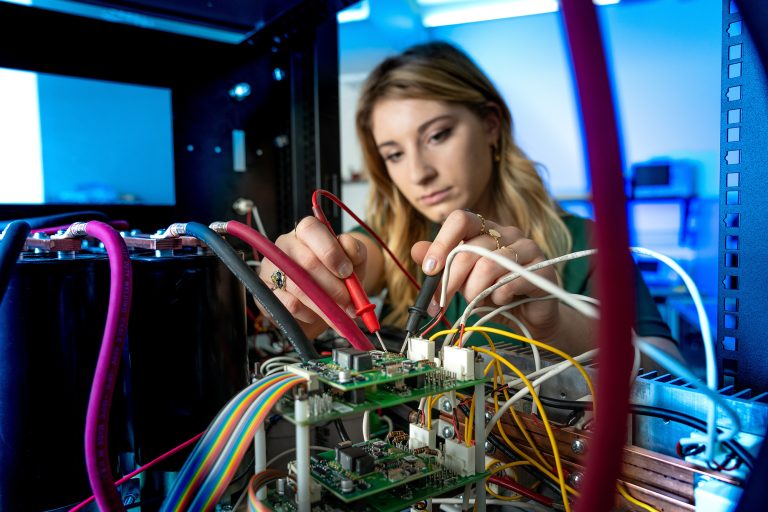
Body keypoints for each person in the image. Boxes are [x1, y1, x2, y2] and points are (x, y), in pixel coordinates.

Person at [258, 41, 678, 358]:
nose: (419, 172)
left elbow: (668, 366)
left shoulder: (586, 241)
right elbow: (350, 261)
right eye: (394, 154)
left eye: (438, 135)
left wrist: (553, 320)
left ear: (491, 125)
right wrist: (303, 275)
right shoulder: (393, 244)